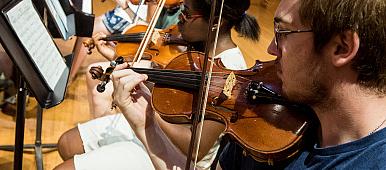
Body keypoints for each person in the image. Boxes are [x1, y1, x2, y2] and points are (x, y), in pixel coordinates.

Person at [107, 0, 386, 169]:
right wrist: (145, 124)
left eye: (282, 32)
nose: (270, 47)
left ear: (342, 47)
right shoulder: (264, 125)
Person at [54, 0, 260, 169]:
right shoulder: (196, 45)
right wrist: (123, 61)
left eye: (186, 14)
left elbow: (196, 148)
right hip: (160, 125)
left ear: (216, 22)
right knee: (67, 142)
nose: (179, 19)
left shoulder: (229, 73)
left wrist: (150, 110)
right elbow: (171, 95)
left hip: (177, 156)